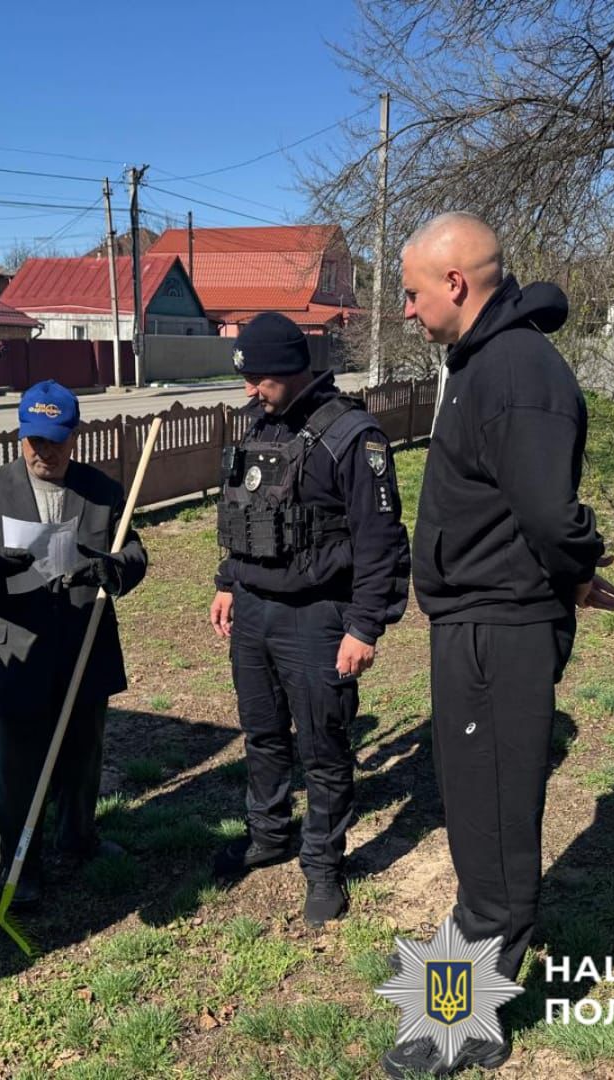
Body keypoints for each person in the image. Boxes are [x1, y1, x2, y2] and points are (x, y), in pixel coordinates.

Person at [383, 212, 614, 1078]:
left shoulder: (517, 370)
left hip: (500, 629)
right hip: (478, 622)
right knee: (477, 816)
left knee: (491, 826)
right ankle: (469, 967)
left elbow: (551, 515)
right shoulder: (487, 361)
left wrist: (573, 572)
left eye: (411, 293)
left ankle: (460, 1019)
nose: (406, 311)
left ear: (455, 284)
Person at [209, 312, 410, 927]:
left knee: (323, 747)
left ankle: (323, 867)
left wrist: (364, 626)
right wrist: (226, 581)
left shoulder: (352, 436)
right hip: (254, 609)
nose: (249, 390)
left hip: (320, 617)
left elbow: (381, 541)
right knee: (263, 732)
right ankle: (269, 835)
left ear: (293, 370)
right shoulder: (258, 422)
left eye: (260, 379)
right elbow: (244, 507)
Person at [0, 379, 147, 908]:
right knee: (16, 766)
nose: (44, 452)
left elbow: (135, 556)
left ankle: (78, 838)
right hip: (18, 650)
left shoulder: (101, 491)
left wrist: (108, 568)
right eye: (35, 440)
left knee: (83, 754)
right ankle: (19, 864)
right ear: (20, 434)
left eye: (56, 440)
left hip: (84, 646)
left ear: (74, 435)